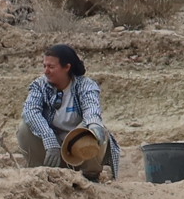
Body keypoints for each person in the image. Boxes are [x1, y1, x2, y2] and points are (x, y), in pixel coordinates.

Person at [19, 44, 117, 180]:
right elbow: (30, 111)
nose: (46, 71)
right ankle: (41, 173)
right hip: (52, 149)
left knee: (96, 129)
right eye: (44, 66)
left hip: (78, 148)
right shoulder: (40, 85)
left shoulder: (85, 85)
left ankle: (91, 176)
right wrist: (49, 139)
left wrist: (94, 124)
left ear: (67, 67)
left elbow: (91, 108)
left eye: (51, 67)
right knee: (24, 128)